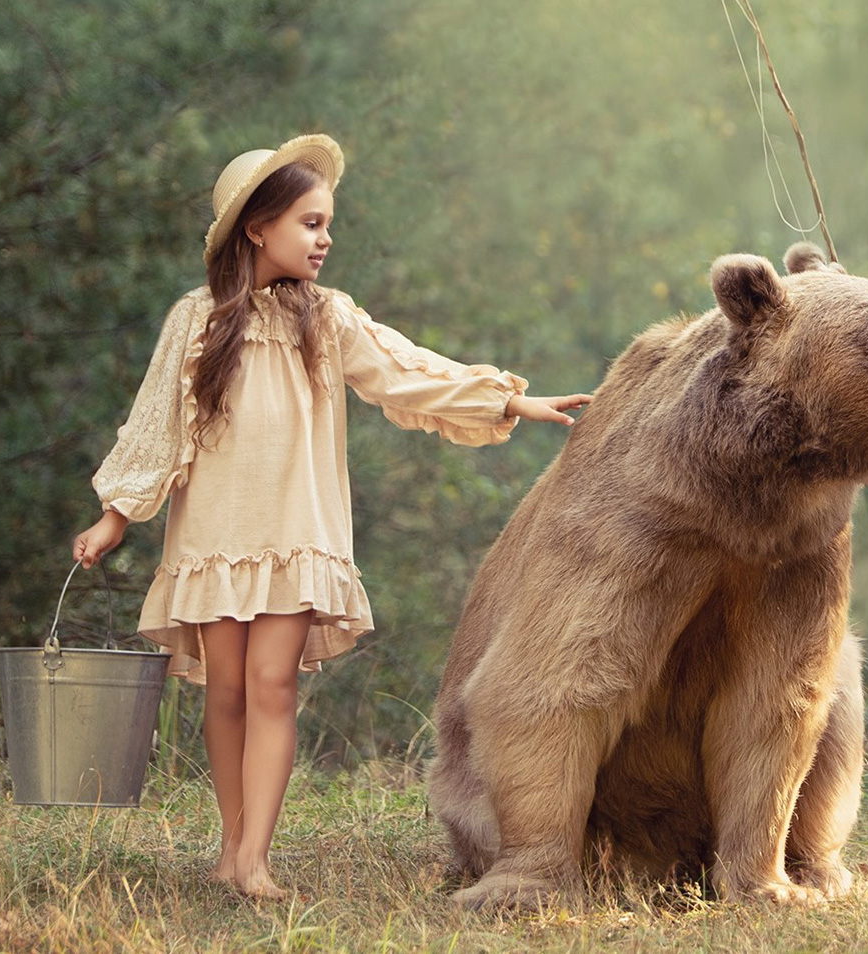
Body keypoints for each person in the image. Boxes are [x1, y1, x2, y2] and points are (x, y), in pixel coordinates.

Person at [72, 134, 591, 900]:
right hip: (216, 532)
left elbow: (407, 369)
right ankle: (229, 845)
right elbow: (158, 421)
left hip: (298, 532)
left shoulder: (329, 318)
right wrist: (117, 515)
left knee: (272, 683)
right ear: (258, 228)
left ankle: (255, 858)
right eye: (311, 223)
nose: (326, 238)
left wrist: (512, 399)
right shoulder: (197, 320)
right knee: (226, 690)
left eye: (326, 223)